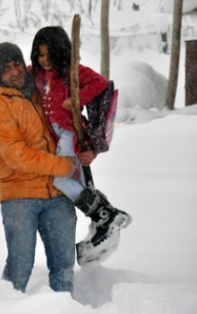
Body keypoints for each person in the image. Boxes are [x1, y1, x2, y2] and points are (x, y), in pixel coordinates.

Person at [0, 42, 78, 293]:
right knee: (20, 268)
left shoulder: (39, 88)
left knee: (64, 266)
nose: (15, 72)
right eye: (6, 69)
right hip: (20, 194)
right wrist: (61, 166)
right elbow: (15, 155)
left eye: (17, 64)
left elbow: (65, 124)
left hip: (57, 192)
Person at [29, 26, 131, 250]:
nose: (44, 60)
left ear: (61, 53)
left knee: (61, 179)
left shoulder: (71, 73)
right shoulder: (33, 73)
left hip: (68, 132)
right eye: (40, 54)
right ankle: (104, 217)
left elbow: (101, 84)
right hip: (54, 137)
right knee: (80, 183)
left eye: (50, 54)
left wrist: (77, 100)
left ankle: (104, 214)